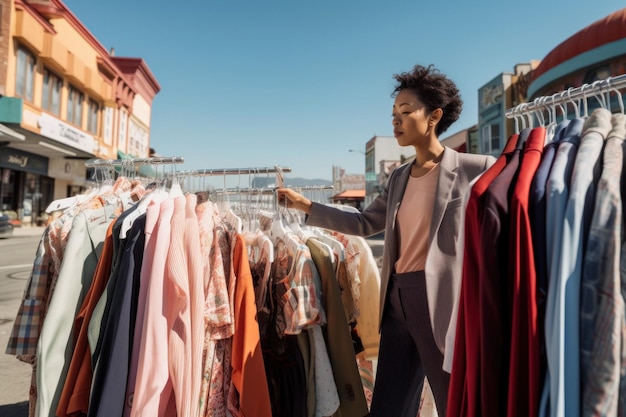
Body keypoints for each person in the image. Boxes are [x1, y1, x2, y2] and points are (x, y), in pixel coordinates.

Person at [278, 64, 495, 417]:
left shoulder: (476, 168)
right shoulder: (399, 178)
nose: (395, 121)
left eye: (406, 113)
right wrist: (305, 206)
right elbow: (365, 223)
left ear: (434, 116)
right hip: (395, 300)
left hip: (440, 299)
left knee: (452, 400)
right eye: (394, 114)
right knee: (389, 405)